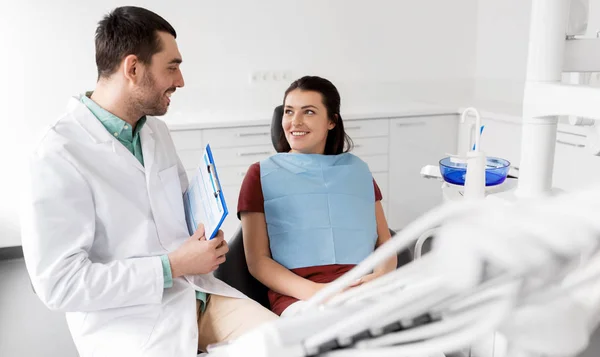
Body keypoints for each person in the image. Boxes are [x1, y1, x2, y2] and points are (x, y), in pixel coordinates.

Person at [20, 6, 276, 356]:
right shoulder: (58, 153)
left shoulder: (156, 131)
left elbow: (181, 209)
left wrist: (203, 236)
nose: (180, 81)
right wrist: (172, 266)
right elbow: (59, 286)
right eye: (172, 67)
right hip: (132, 327)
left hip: (198, 296)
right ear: (133, 68)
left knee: (286, 342)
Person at [238, 76, 398, 316]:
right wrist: (319, 293)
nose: (295, 122)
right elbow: (258, 262)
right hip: (301, 298)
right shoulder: (259, 174)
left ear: (331, 121)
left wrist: (380, 278)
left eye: (309, 112)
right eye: (289, 112)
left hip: (364, 291)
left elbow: (385, 242)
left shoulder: (358, 170)